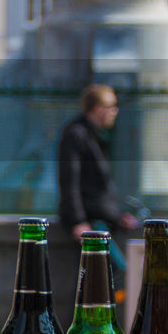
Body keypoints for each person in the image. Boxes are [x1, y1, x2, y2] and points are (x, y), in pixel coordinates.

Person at [57, 84, 139, 299]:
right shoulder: (76, 134)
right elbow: (69, 181)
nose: (115, 111)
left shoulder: (96, 135)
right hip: (91, 222)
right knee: (117, 271)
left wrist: (117, 216)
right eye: (111, 106)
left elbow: (99, 187)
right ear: (96, 108)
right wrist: (77, 221)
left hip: (100, 219)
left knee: (100, 276)